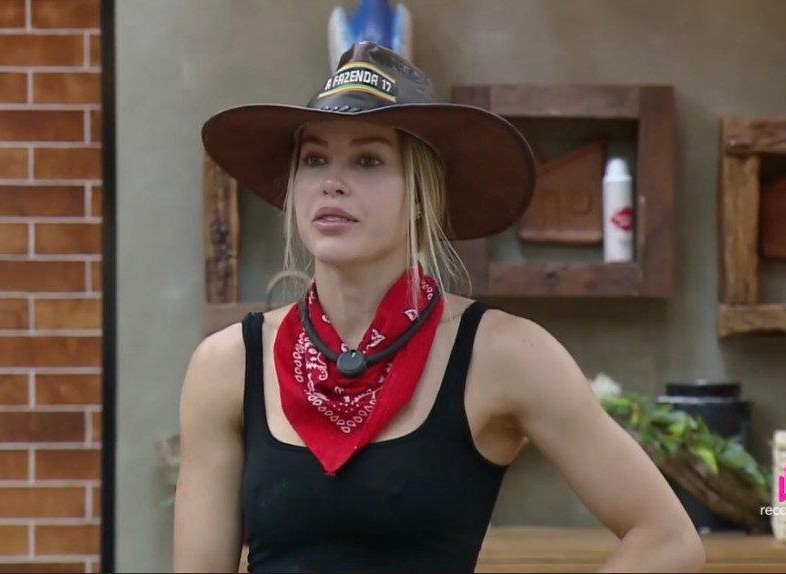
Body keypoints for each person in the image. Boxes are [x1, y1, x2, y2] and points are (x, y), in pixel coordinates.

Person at [173, 41, 705, 574]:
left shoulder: (502, 354)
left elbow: (668, 539)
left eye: (368, 160)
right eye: (314, 159)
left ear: (421, 195)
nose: (332, 182)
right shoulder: (228, 366)